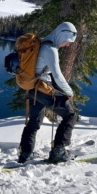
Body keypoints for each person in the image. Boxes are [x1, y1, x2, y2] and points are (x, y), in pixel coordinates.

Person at [17, 22, 78, 164]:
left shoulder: (43, 43)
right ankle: (58, 151)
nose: (68, 45)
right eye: (68, 41)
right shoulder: (50, 49)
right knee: (70, 115)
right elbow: (57, 75)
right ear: (62, 35)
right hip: (42, 89)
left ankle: (25, 154)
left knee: (33, 122)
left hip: (32, 88)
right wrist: (69, 91)